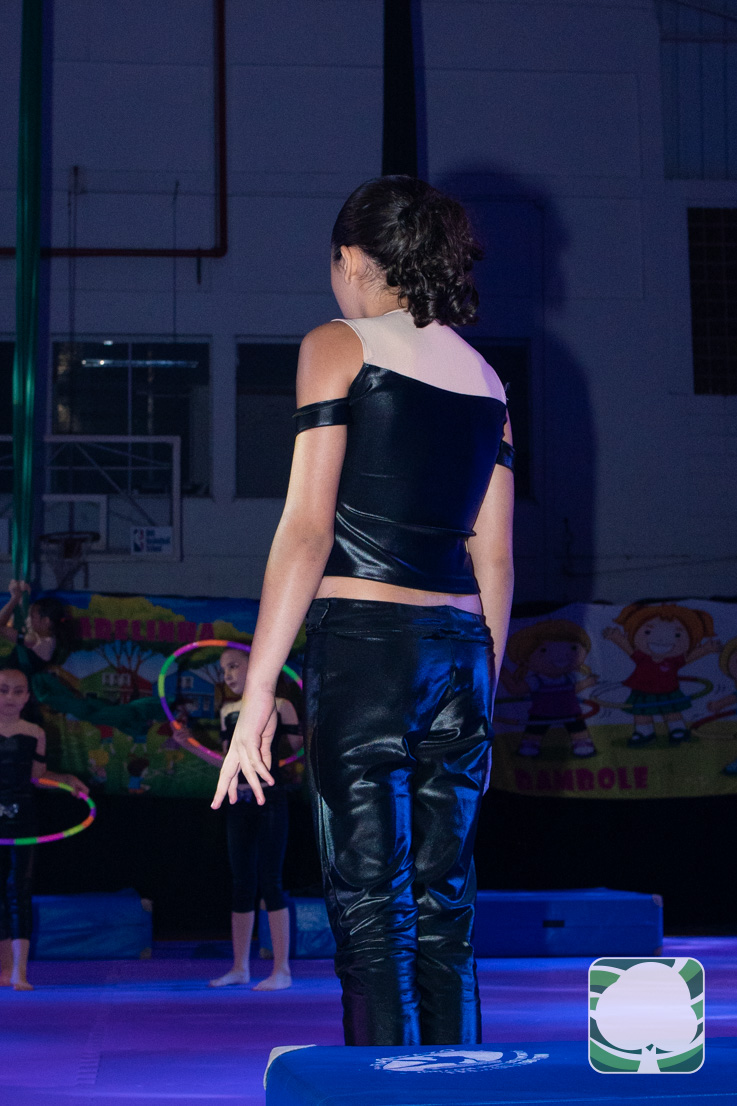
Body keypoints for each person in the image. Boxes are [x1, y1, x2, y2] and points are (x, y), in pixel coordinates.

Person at [212, 175, 515, 1046]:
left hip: (367, 649)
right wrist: (483, 689)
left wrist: (258, 692)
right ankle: (454, 1085)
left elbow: (307, 530)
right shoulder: (486, 376)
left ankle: (384, 1090)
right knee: (445, 903)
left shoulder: (336, 344)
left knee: (372, 903)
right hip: (462, 652)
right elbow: (494, 559)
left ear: (351, 258)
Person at [208, 647, 300, 990]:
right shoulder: (227, 711)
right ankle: (239, 968)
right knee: (242, 881)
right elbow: (227, 762)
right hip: (239, 801)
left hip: (270, 798)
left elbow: (297, 748)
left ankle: (282, 970)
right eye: (223, 670)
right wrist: (187, 745)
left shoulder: (281, 704)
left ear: (254, 663)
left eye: (233, 666)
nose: (227, 675)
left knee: (271, 880)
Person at [0, 666, 88, 990]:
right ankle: (4, 968)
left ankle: (19, 971)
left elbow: (37, 777)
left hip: (23, 818)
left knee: (19, 890)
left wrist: (66, 780)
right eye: (3, 690)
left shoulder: (35, 732)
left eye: (18, 691)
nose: (10, 697)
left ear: (27, 696)